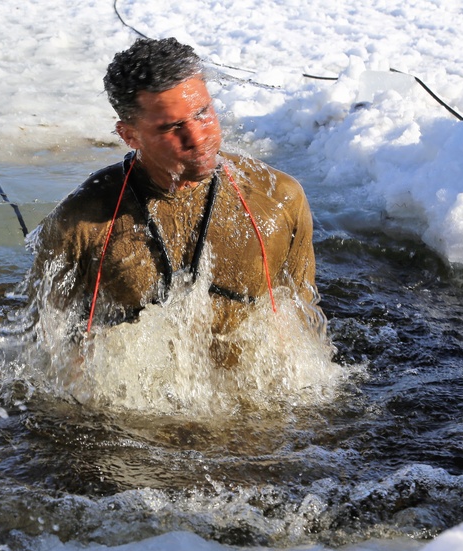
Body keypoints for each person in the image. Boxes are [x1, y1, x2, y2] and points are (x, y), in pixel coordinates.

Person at [24, 37, 322, 365]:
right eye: (172, 127)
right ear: (129, 135)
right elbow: (45, 351)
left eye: (203, 113)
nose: (197, 137)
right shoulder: (80, 223)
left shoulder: (279, 199)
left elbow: (301, 327)